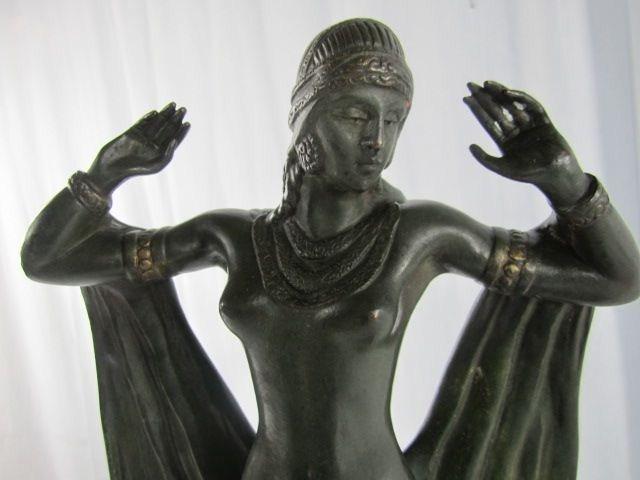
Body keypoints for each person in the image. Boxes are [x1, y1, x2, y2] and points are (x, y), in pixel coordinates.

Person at [21, 18, 639, 480]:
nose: (377, 140)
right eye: (354, 114)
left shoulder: (423, 233)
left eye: (393, 119)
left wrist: (568, 186)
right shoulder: (234, 237)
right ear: (305, 121)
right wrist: (103, 175)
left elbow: (617, 280)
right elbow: (47, 260)